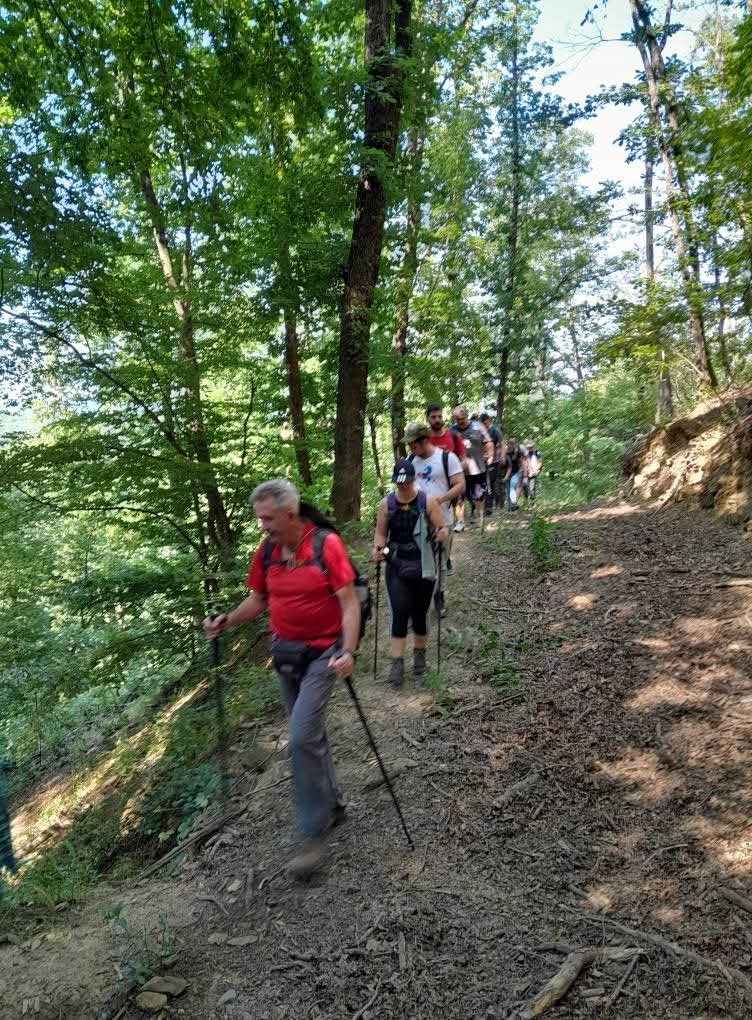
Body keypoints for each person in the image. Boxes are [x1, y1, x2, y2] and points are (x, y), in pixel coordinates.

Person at [203, 479, 360, 880]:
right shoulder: (268, 551)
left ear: (290, 515)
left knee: (302, 737)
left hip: (324, 653)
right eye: (259, 519)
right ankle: (335, 804)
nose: (262, 527)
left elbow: (349, 603)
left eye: (268, 519)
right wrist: (226, 622)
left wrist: (348, 651)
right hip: (286, 655)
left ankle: (311, 835)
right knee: (311, 736)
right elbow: (258, 600)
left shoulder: (326, 545)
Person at [373, 459, 448, 687]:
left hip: (423, 564)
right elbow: (380, 534)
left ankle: (419, 661)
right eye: (399, 483)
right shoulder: (387, 504)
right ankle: (396, 665)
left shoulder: (428, 502)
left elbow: (441, 527)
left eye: (406, 482)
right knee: (399, 612)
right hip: (396, 564)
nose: (403, 486)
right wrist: (377, 549)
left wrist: (442, 534)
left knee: (419, 613)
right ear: (395, 481)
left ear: (414, 479)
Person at [404, 420, 464, 618]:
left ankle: (439, 596)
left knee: (439, 559)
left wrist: (440, 500)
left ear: (423, 440)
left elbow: (460, 485)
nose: (410, 447)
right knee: (417, 561)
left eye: (413, 443)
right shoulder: (410, 460)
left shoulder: (447, 458)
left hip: (442, 519)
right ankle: (418, 601)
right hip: (417, 521)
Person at [425, 403, 465, 573]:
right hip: (428, 487)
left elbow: (462, 458)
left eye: (439, 416)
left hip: (450, 487)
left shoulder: (453, 436)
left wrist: (455, 471)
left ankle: (446, 557)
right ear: (427, 418)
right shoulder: (424, 437)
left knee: (447, 523)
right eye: (433, 417)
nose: (437, 420)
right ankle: (429, 558)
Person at [451, 406, 494, 529]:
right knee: (459, 495)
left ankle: (478, 514)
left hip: (478, 468)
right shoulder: (452, 430)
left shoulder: (478, 427)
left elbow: (489, 442)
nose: (459, 421)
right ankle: (460, 522)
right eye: (457, 419)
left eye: (462, 418)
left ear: (467, 416)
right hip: (459, 469)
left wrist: (490, 456)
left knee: (478, 496)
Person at [479, 412, 503, 513]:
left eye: (485, 423)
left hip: (495, 461)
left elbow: (501, 444)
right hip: (482, 461)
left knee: (492, 484)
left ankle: (494, 505)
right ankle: (487, 507)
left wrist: (502, 456)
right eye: (481, 424)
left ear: (489, 421)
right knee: (485, 483)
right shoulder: (479, 432)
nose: (483, 426)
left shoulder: (495, 430)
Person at [502, 437, 527, 511]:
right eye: (509, 443)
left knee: (512, 486)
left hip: (516, 472)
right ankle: (511, 507)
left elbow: (521, 462)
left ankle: (513, 504)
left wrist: (524, 471)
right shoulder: (504, 451)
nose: (510, 445)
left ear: (515, 444)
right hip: (506, 473)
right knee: (508, 490)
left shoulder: (518, 451)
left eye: (512, 443)